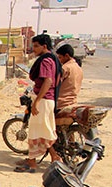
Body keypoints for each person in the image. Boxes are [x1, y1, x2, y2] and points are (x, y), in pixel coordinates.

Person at [14, 33, 62, 173]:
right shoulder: (53, 60)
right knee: (42, 131)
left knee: (37, 132)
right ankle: (45, 157)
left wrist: (37, 102)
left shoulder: (46, 61)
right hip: (47, 100)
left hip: (44, 100)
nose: (33, 49)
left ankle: (36, 162)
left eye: (36, 46)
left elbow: (48, 81)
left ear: (44, 46)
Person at [56, 44, 83, 109]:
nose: (59, 60)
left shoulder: (65, 68)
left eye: (60, 57)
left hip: (61, 103)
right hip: (73, 103)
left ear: (66, 56)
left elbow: (55, 85)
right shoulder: (79, 69)